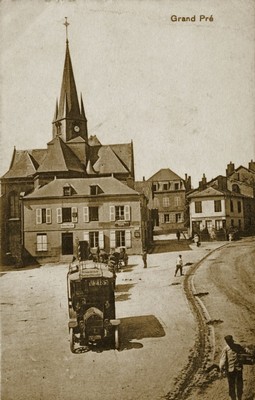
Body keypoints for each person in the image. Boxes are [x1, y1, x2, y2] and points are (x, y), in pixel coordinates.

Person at [219, 335, 247, 400]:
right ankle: (233, 398)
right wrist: (221, 368)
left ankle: (239, 398)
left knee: (239, 385)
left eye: (231, 342)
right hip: (230, 370)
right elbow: (223, 359)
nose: (230, 343)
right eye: (229, 342)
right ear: (227, 342)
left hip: (238, 369)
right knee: (231, 386)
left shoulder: (238, 346)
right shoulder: (226, 349)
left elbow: (244, 351)